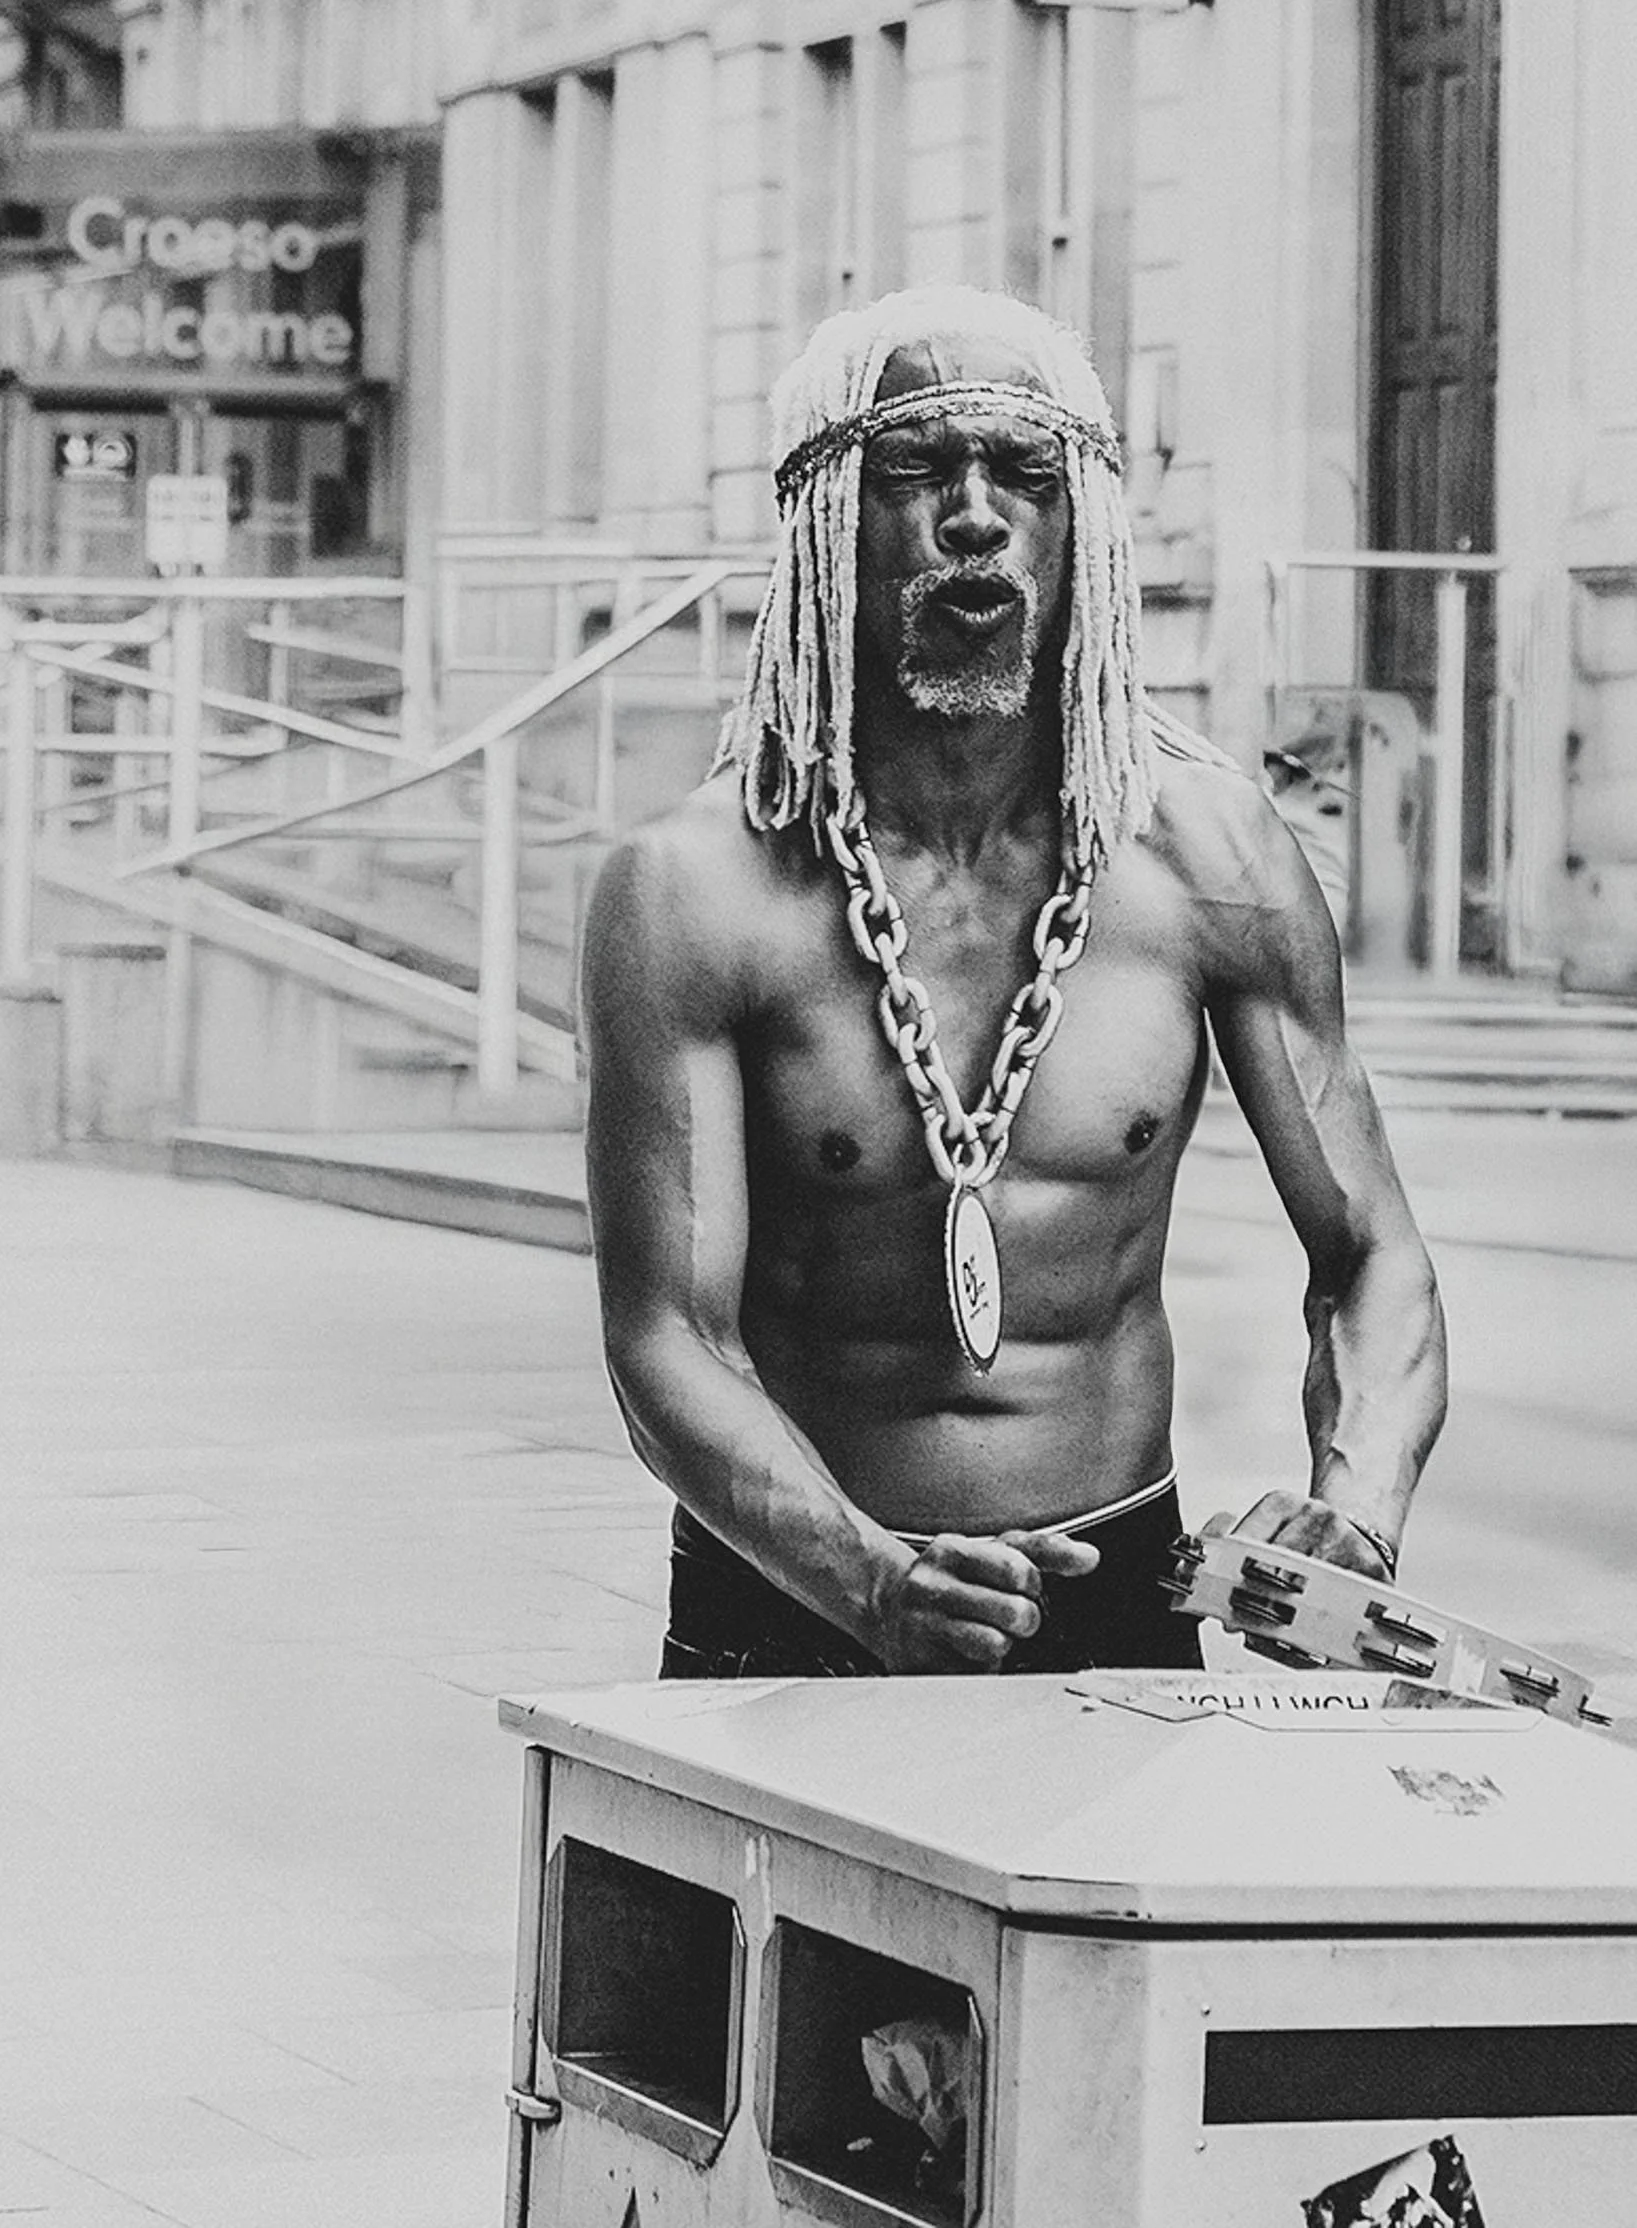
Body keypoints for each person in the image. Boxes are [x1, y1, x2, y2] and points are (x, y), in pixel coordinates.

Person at [582, 285, 1447, 1679]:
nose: (973, 514)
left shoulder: (1208, 857)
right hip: (793, 1602)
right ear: (824, 524)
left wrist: (1355, 1508)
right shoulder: (691, 891)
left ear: (1078, 525)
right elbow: (667, 1337)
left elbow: (1371, 1255)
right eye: (915, 471)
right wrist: (867, 1582)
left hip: (1121, 1605)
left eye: (1024, 475)